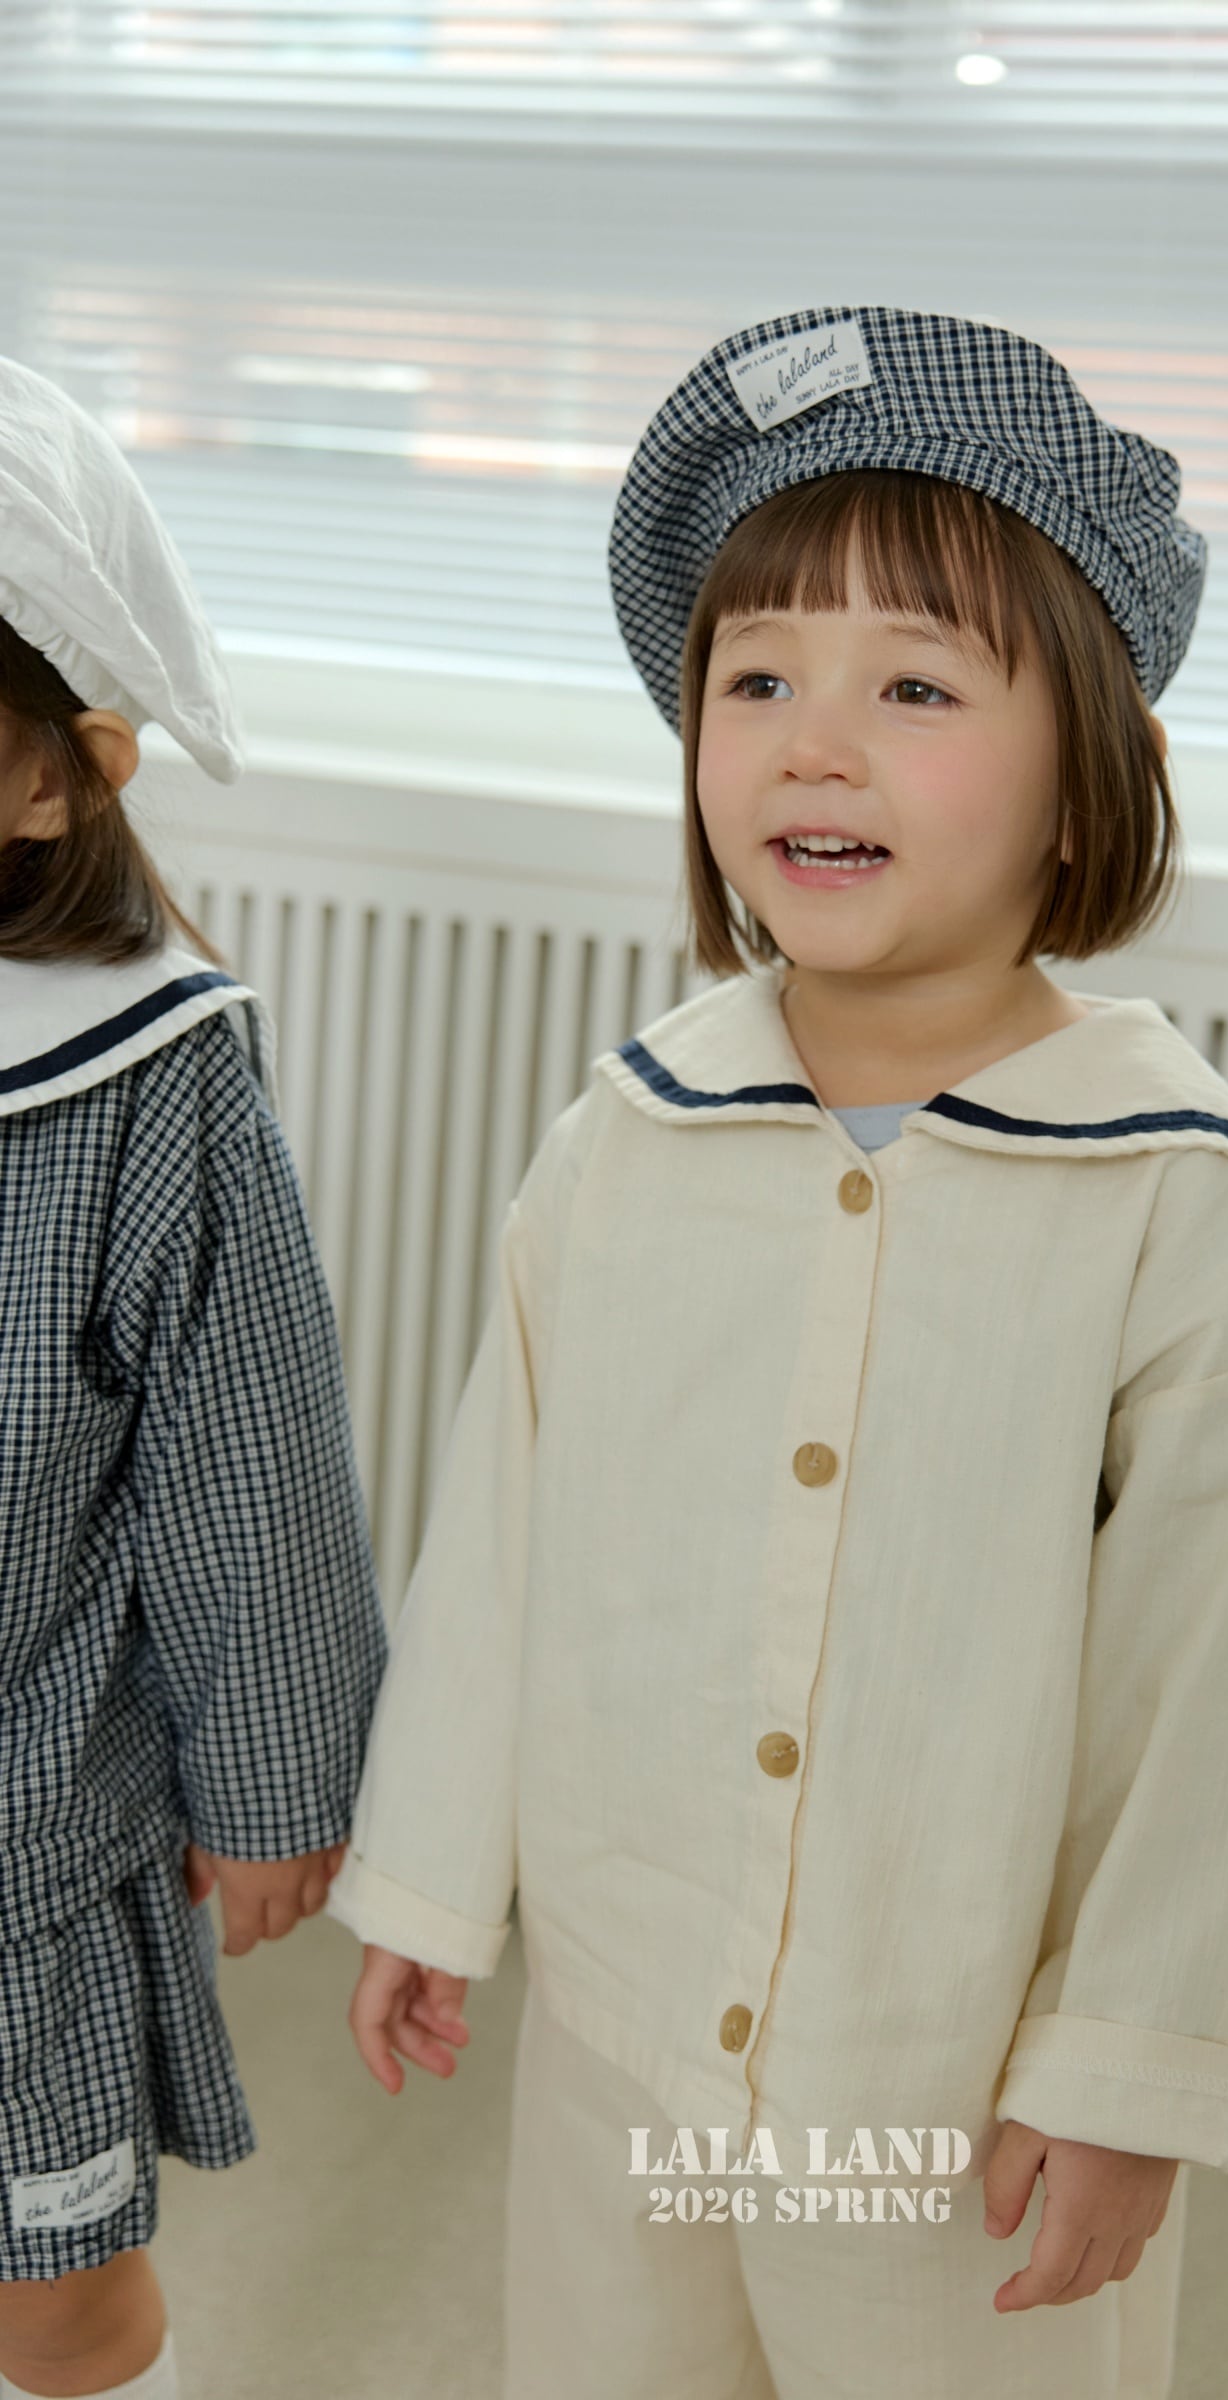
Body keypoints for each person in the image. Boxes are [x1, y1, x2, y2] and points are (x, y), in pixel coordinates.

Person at [330, 304, 1228, 2400]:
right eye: (757, 678)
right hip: (624, 2025)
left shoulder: (1174, 1200)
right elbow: (504, 1527)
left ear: (1086, 783)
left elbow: (1201, 1689)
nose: (812, 742)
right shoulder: (624, 1140)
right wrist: (430, 1873)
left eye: (916, 687)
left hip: (947, 2082)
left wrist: (1123, 2072)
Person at [0, 357, 387, 2400]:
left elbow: (243, 1464)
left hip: (24, 1827)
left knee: (53, 2292)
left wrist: (268, 1786)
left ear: (51, 777)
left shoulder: (142, 1082)